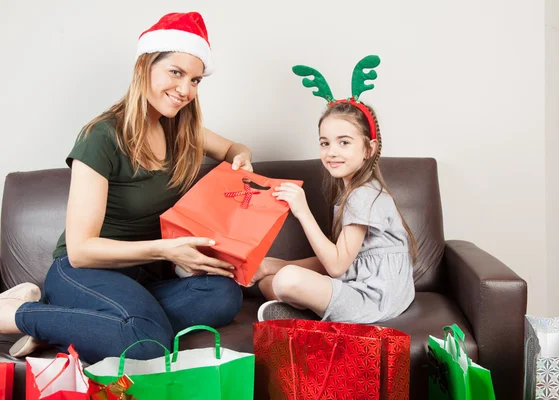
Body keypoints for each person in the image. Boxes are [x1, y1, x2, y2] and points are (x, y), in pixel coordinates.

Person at [0, 12, 252, 363]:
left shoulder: (180, 129)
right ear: (144, 67)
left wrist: (242, 159)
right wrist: (167, 249)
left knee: (223, 295)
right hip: (86, 273)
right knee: (146, 344)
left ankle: (77, 324)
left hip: (142, 281)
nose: (185, 90)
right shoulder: (100, 138)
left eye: (195, 80)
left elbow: (232, 149)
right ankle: (19, 314)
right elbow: (81, 251)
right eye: (175, 73)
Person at [253, 56, 417, 324]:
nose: (332, 153)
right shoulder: (354, 192)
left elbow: (337, 266)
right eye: (325, 143)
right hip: (359, 285)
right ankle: (310, 308)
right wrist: (272, 263)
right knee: (268, 282)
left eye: (344, 142)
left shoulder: (364, 194)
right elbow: (344, 262)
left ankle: (311, 312)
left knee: (286, 281)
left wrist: (303, 211)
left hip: (373, 299)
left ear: (368, 149)